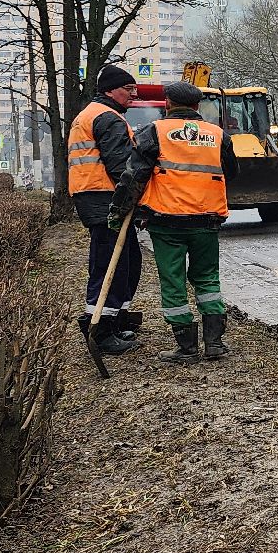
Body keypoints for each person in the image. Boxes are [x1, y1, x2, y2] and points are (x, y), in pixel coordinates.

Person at [109, 81, 237, 363]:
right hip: (207, 219)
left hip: (167, 222)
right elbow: (231, 171)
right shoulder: (218, 135)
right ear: (197, 106)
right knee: (207, 279)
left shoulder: (154, 132)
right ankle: (214, 343)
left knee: (173, 281)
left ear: (167, 104)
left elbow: (134, 176)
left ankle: (186, 346)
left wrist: (119, 211)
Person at [68, 64, 144, 356]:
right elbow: (120, 165)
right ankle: (98, 328)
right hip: (104, 197)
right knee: (111, 262)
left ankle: (113, 319)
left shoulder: (89, 114)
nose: (133, 96)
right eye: (129, 90)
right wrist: (133, 199)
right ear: (111, 89)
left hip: (93, 195)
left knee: (128, 259)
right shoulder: (108, 118)